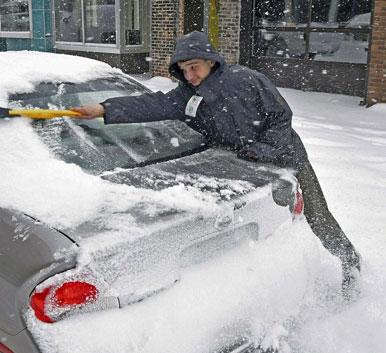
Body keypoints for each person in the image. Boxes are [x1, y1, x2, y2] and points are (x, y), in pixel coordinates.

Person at [71, 31, 361, 300]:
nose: (189, 74)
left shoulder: (246, 80)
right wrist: (104, 109)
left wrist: (261, 151)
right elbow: (152, 104)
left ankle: (351, 265)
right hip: (246, 166)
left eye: (194, 66)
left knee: (317, 216)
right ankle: (278, 276)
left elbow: (280, 117)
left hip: (285, 158)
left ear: (211, 61)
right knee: (269, 226)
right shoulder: (188, 95)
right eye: (183, 69)